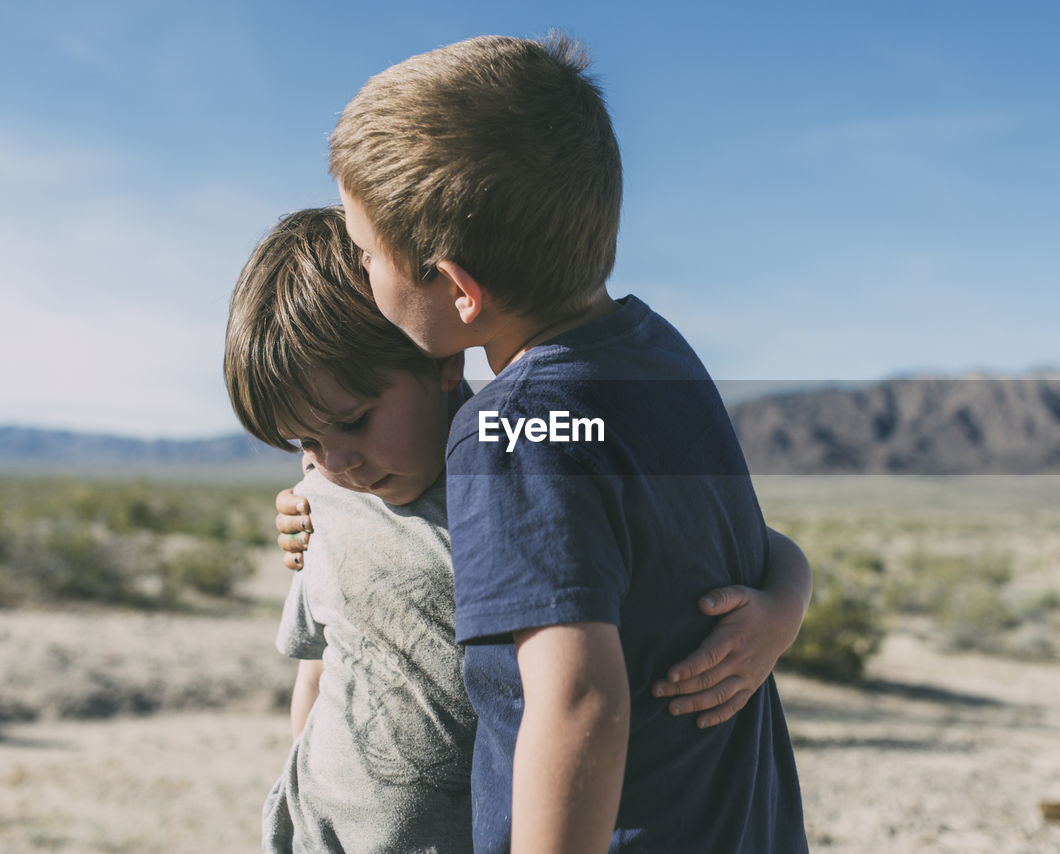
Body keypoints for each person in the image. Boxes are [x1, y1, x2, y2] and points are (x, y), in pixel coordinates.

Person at [320, 33, 809, 853]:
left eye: (367, 255)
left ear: (459, 291)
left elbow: (578, 699)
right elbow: (738, 544)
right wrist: (784, 607)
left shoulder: (509, 430)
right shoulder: (658, 357)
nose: (360, 272)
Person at [231, 208, 811, 852]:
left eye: (356, 420)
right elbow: (321, 669)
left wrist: (784, 606)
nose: (336, 461)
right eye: (305, 441)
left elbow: (735, 539)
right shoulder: (322, 500)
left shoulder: (519, 476)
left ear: (438, 361)